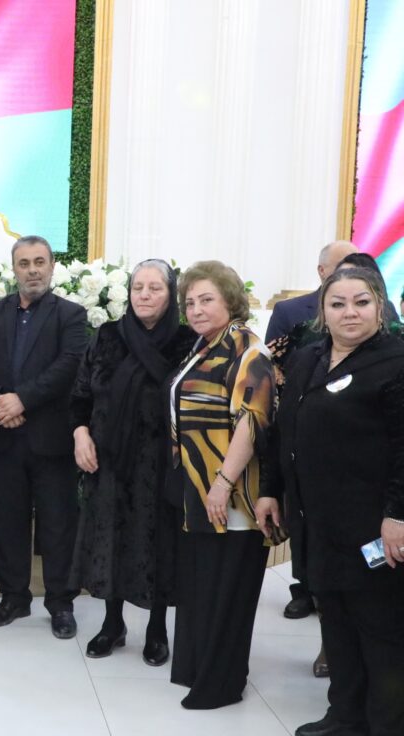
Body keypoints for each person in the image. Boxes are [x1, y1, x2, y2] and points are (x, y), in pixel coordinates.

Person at [257, 267, 404, 736]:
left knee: (380, 629)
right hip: (317, 521)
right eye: (337, 303)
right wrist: (270, 489)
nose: (349, 312)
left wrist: (398, 516)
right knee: (335, 622)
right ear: (323, 311)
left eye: (361, 302)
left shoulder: (396, 361)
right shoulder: (308, 358)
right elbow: (284, 431)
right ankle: (345, 716)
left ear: (380, 307)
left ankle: (386, 723)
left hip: (373, 526)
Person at [70, 259, 195, 663]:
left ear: (171, 295)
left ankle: (157, 628)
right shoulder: (107, 336)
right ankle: (112, 624)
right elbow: (80, 397)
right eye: (138, 287)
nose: (144, 295)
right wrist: (81, 434)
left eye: (155, 288)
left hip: (162, 464)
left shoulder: (187, 341)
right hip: (108, 461)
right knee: (111, 539)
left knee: (157, 542)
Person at [168, 260, 276, 710]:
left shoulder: (247, 348)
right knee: (205, 584)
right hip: (200, 489)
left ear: (230, 300)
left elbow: (252, 420)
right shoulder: (206, 345)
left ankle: (222, 684)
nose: (196, 309)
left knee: (227, 590)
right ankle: (200, 669)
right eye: (190, 302)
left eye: (206, 299)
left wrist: (223, 482)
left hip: (231, 494)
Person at [0, 236, 88, 639]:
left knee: (57, 524)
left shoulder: (71, 314)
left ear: (52, 266)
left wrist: (21, 399)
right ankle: (13, 597)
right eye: (24, 263)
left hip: (51, 438)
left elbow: (69, 366)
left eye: (40, 262)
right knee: (7, 521)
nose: (33, 270)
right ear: (14, 269)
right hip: (3, 436)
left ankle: (60, 603)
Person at [265, 240, 357, 345]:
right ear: (321, 270)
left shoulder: (368, 312)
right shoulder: (287, 312)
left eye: (357, 266)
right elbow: (272, 354)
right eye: (343, 266)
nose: (352, 272)